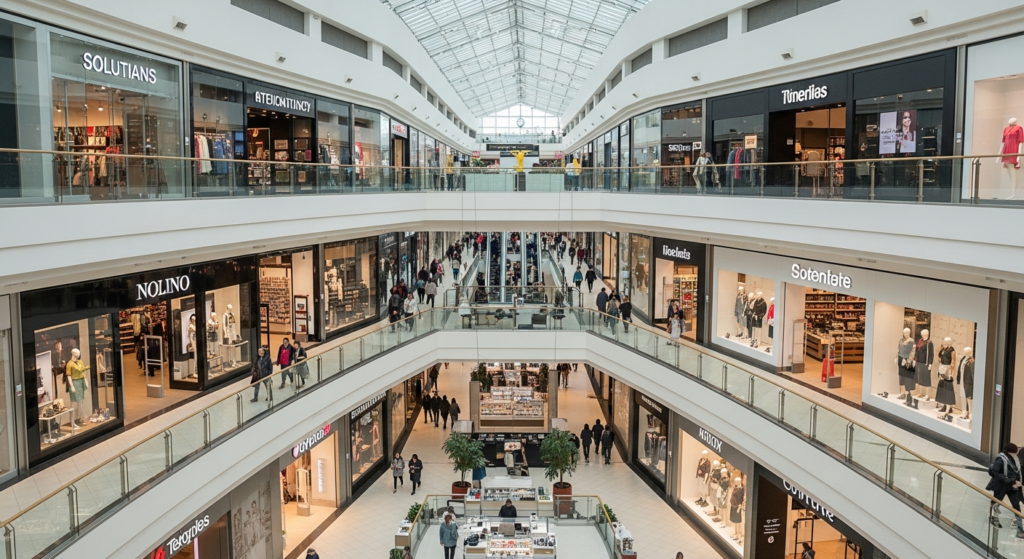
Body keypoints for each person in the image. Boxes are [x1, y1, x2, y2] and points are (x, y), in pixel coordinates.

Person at [987, 442, 1024, 536]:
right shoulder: (1001, 459)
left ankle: (1020, 529)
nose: (1016, 454)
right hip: (1001, 485)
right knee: (996, 501)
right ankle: (993, 518)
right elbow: (995, 473)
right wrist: (1010, 480)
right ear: (1010, 452)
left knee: (1016, 506)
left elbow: (1017, 472)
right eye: (1015, 452)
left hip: (1013, 486)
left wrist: (1017, 482)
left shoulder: (1015, 460)